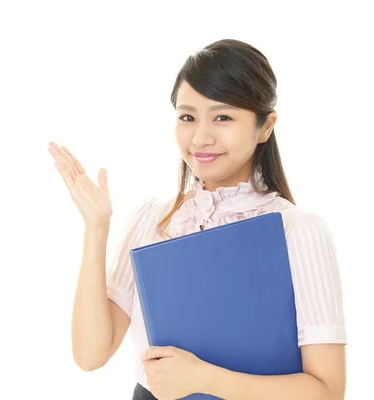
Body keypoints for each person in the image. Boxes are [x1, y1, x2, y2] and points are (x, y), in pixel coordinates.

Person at [48, 38, 347, 400]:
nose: (201, 138)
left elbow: (327, 391)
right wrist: (96, 227)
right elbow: (91, 355)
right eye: (187, 117)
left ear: (265, 126)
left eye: (223, 117)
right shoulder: (153, 220)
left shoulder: (298, 230)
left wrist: (203, 378)